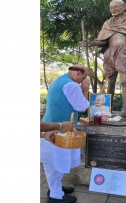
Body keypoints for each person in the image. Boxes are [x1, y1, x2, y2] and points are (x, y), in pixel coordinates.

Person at [82, 0, 126, 119]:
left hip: (124, 52)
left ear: (124, 7)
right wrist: (91, 43)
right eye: (111, 7)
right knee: (110, 81)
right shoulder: (108, 24)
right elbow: (103, 41)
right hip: (110, 53)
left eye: (115, 7)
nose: (112, 9)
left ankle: (124, 111)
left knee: (125, 81)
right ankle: (107, 110)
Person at [41, 64, 90, 203]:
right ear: (78, 74)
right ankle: (55, 196)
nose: (82, 81)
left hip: (50, 126)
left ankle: (55, 187)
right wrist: (85, 91)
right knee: (56, 162)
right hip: (59, 130)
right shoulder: (72, 85)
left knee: (54, 161)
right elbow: (81, 106)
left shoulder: (58, 80)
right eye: (83, 78)